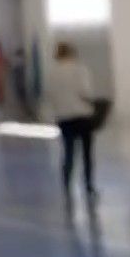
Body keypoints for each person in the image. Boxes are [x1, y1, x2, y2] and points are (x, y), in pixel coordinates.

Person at [43, 42, 100, 201]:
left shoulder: (52, 73)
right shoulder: (79, 70)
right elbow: (86, 92)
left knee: (68, 152)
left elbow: (49, 95)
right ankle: (88, 185)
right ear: (72, 53)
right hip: (82, 116)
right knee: (87, 154)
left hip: (64, 117)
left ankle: (66, 186)